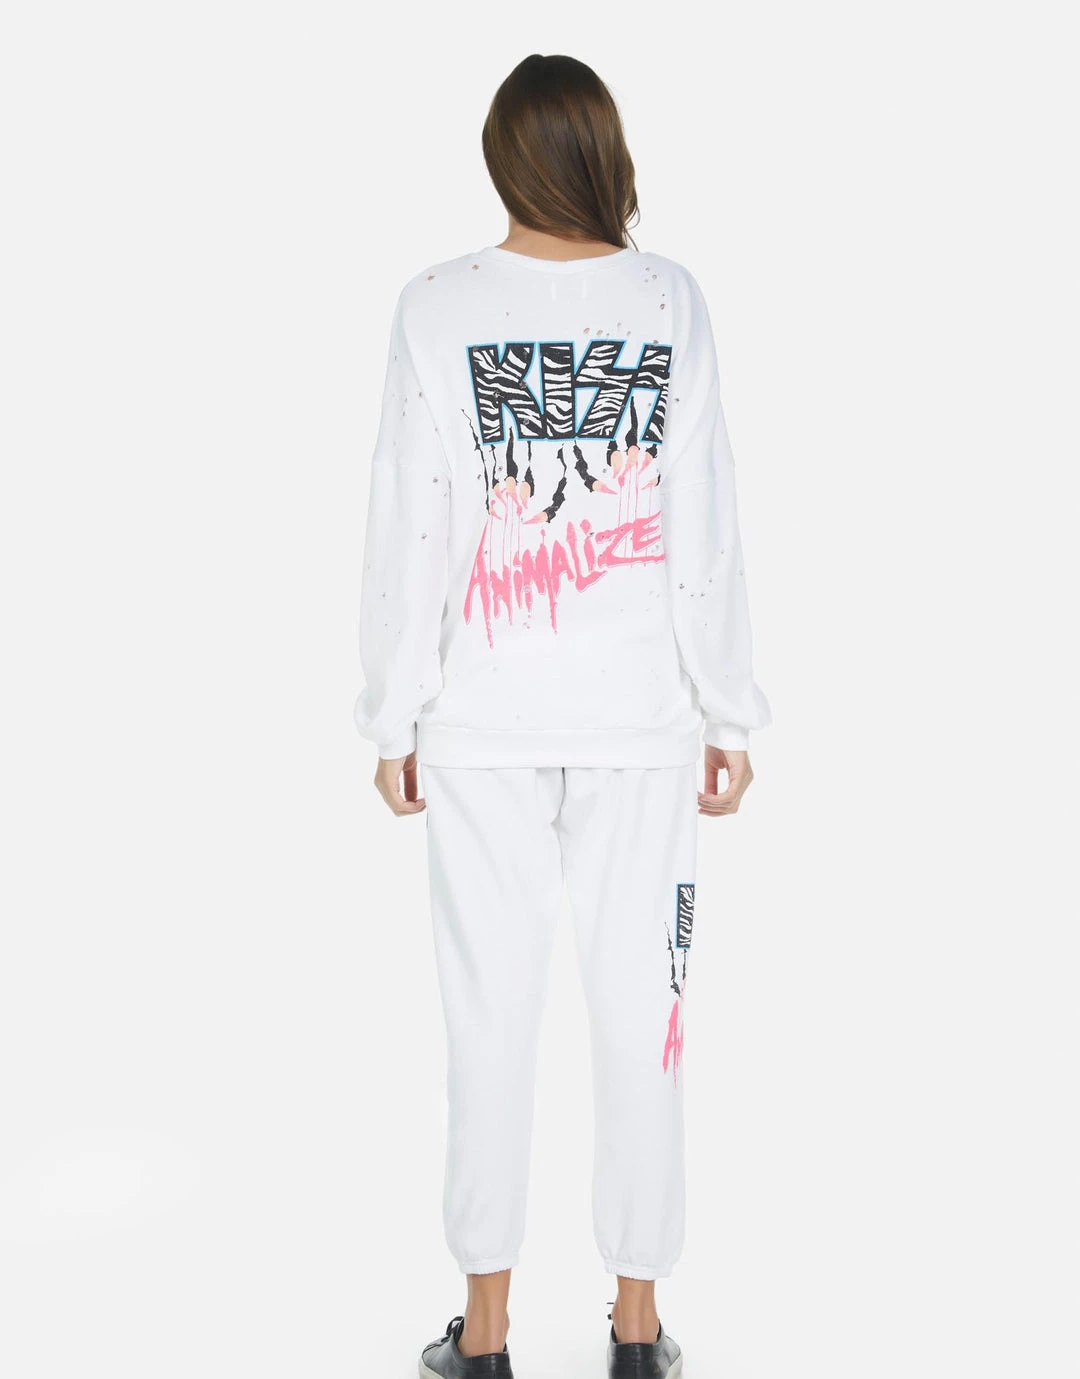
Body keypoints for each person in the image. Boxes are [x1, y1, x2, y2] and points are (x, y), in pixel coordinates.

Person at [354, 52, 771, 1379]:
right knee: (646, 1016)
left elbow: (409, 522)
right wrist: (726, 706)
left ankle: (483, 1332)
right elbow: (704, 516)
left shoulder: (437, 306)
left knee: (488, 1018)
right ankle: (636, 1327)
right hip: (643, 723)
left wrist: (396, 713)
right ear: (604, 151)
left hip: (481, 721)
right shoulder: (666, 298)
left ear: (501, 155)